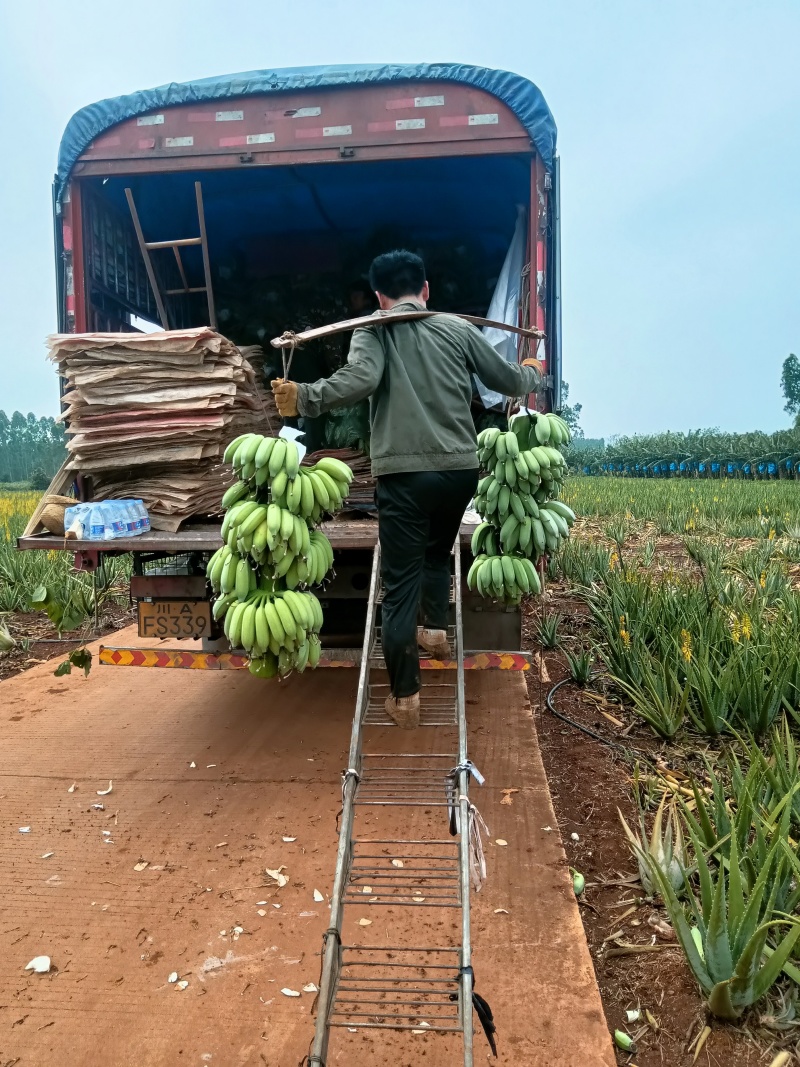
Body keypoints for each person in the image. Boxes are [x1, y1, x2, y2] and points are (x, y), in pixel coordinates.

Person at [272, 249, 542, 729]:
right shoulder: (458, 329)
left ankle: (405, 695)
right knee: (438, 554)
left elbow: (360, 380)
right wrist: (531, 371)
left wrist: (305, 398)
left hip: (404, 476)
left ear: (378, 296)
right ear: (426, 289)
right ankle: (435, 631)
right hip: (460, 472)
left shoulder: (373, 328)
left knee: (399, 588)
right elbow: (504, 380)